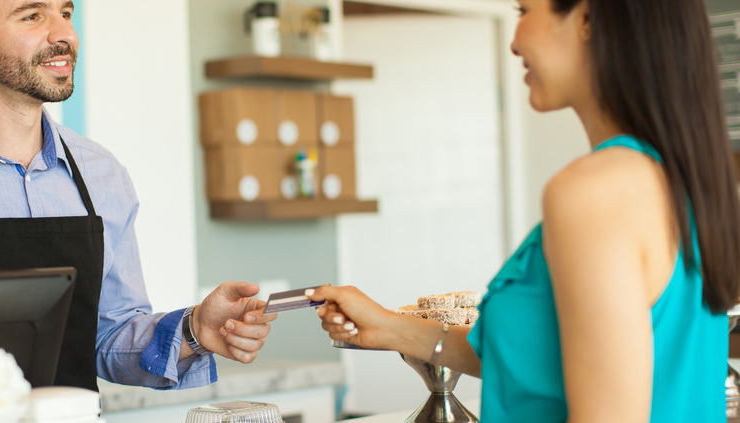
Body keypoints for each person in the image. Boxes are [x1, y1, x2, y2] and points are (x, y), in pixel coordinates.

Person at [309, 0, 740, 421]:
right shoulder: (680, 182)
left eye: (523, 12)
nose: (514, 43)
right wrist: (386, 326)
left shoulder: (593, 192)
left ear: (587, 18)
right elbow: (546, 363)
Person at [0, 0, 276, 392]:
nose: (64, 33)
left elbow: (109, 336)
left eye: (65, 12)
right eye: (32, 14)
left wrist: (194, 329)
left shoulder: (104, 175)